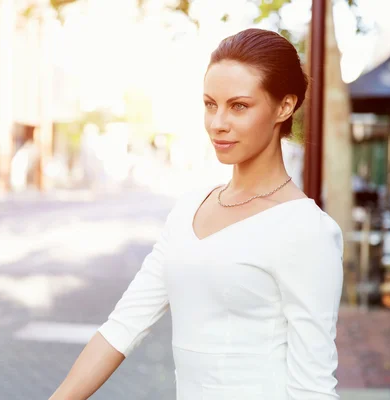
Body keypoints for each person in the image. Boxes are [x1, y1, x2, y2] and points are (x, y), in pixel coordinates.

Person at [49, 28, 344, 400]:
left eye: (239, 106)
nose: (217, 122)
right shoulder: (189, 209)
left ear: (284, 106)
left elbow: (312, 388)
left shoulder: (306, 230)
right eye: (210, 104)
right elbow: (122, 327)